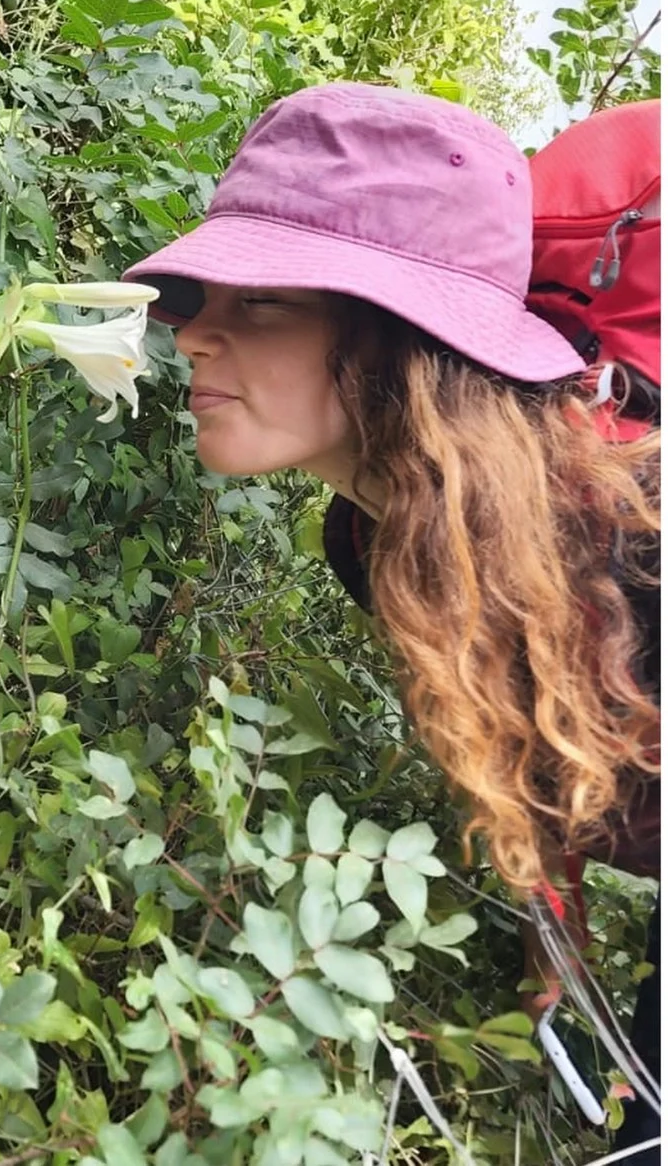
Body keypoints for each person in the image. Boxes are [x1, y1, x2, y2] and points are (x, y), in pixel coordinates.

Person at [118, 82, 661, 1155]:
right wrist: (557, 917)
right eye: (199, 296)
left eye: (262, 301)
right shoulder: (370, 541)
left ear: (399, 339)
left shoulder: (634, 527)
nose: (190, 336)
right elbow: (529, 744)